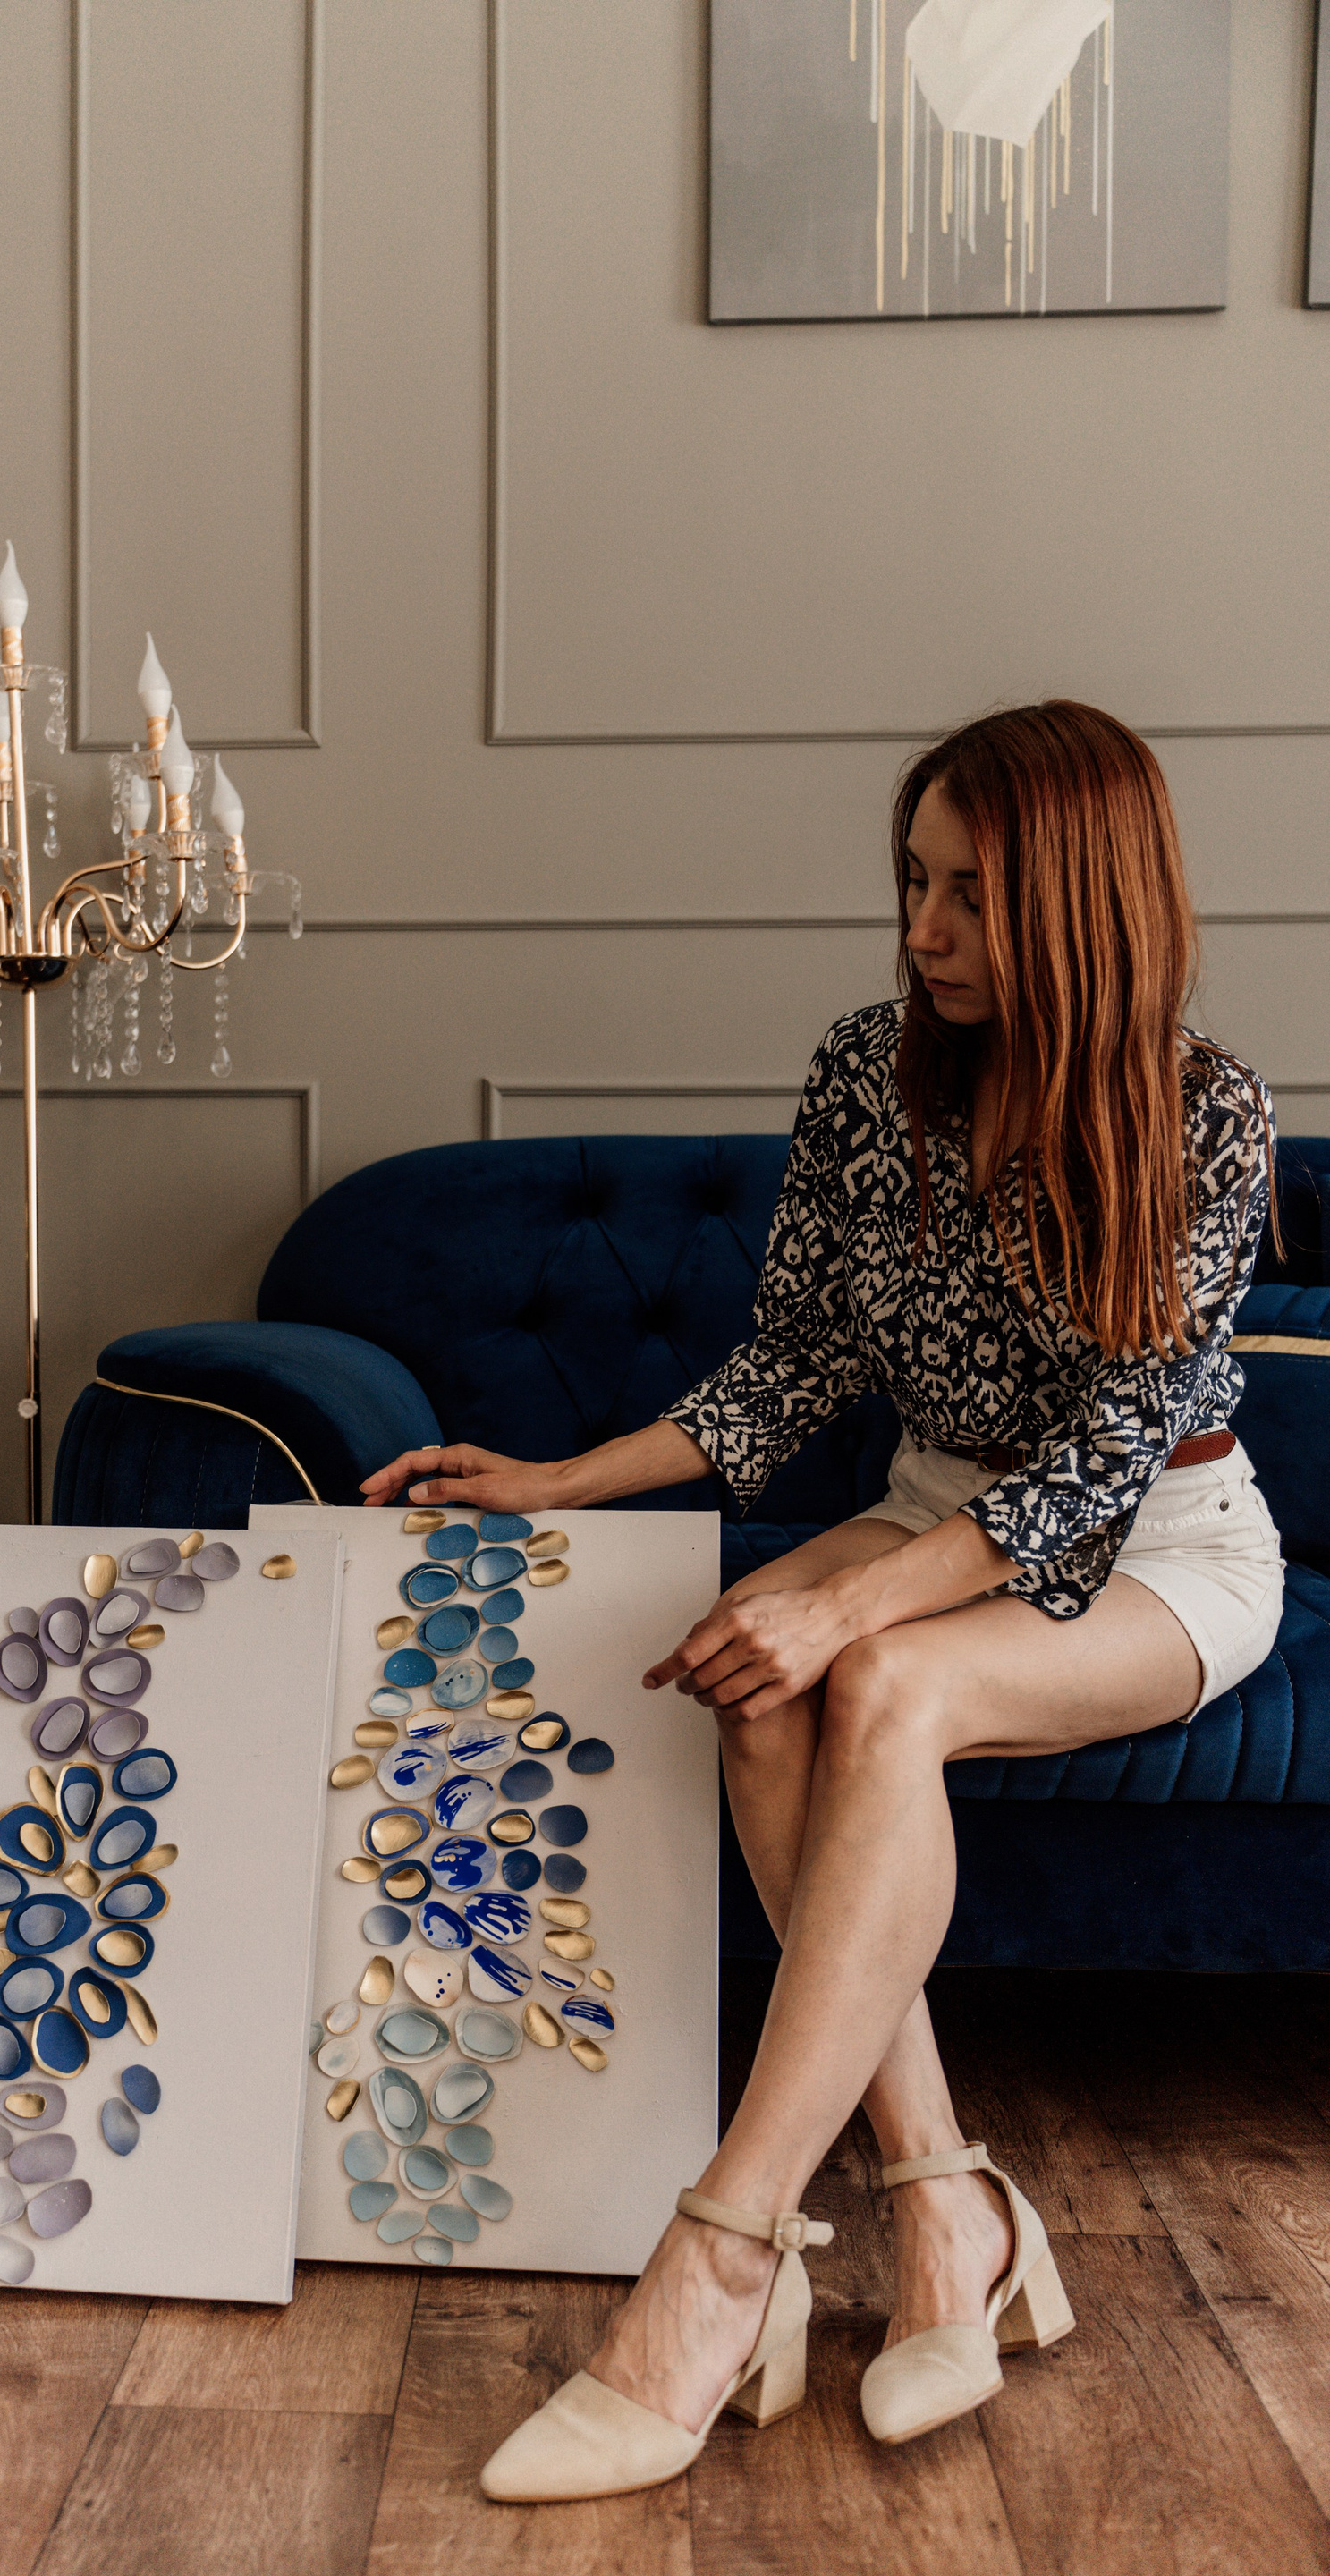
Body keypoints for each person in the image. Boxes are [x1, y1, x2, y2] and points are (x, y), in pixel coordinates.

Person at [360, 702, 1284, 2500]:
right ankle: (949, 2209)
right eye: (913, 882)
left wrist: (853, 1614)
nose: (922, 929)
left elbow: (1101, 1467)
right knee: (756, 1682)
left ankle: (723, 2252)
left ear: (1085, 901)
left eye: (972, 894)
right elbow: (792, 1365)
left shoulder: (1206, 1110)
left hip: (1165, 1544)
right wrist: (561, 1478)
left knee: (882, 1689)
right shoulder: (872, 1072)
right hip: (935, 1505)